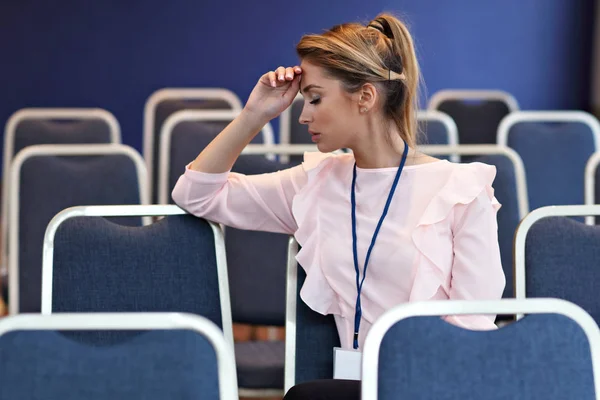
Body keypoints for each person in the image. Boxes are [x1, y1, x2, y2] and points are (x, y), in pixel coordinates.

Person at [172, 12, 505, 400]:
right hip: (356, 383)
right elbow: (196, 194)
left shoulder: (461, 190)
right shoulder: (317, 182)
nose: (303, 114)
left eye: (315, 98)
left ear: (365, 97)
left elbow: (474, 323)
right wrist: (254, 114)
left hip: (436, 382)